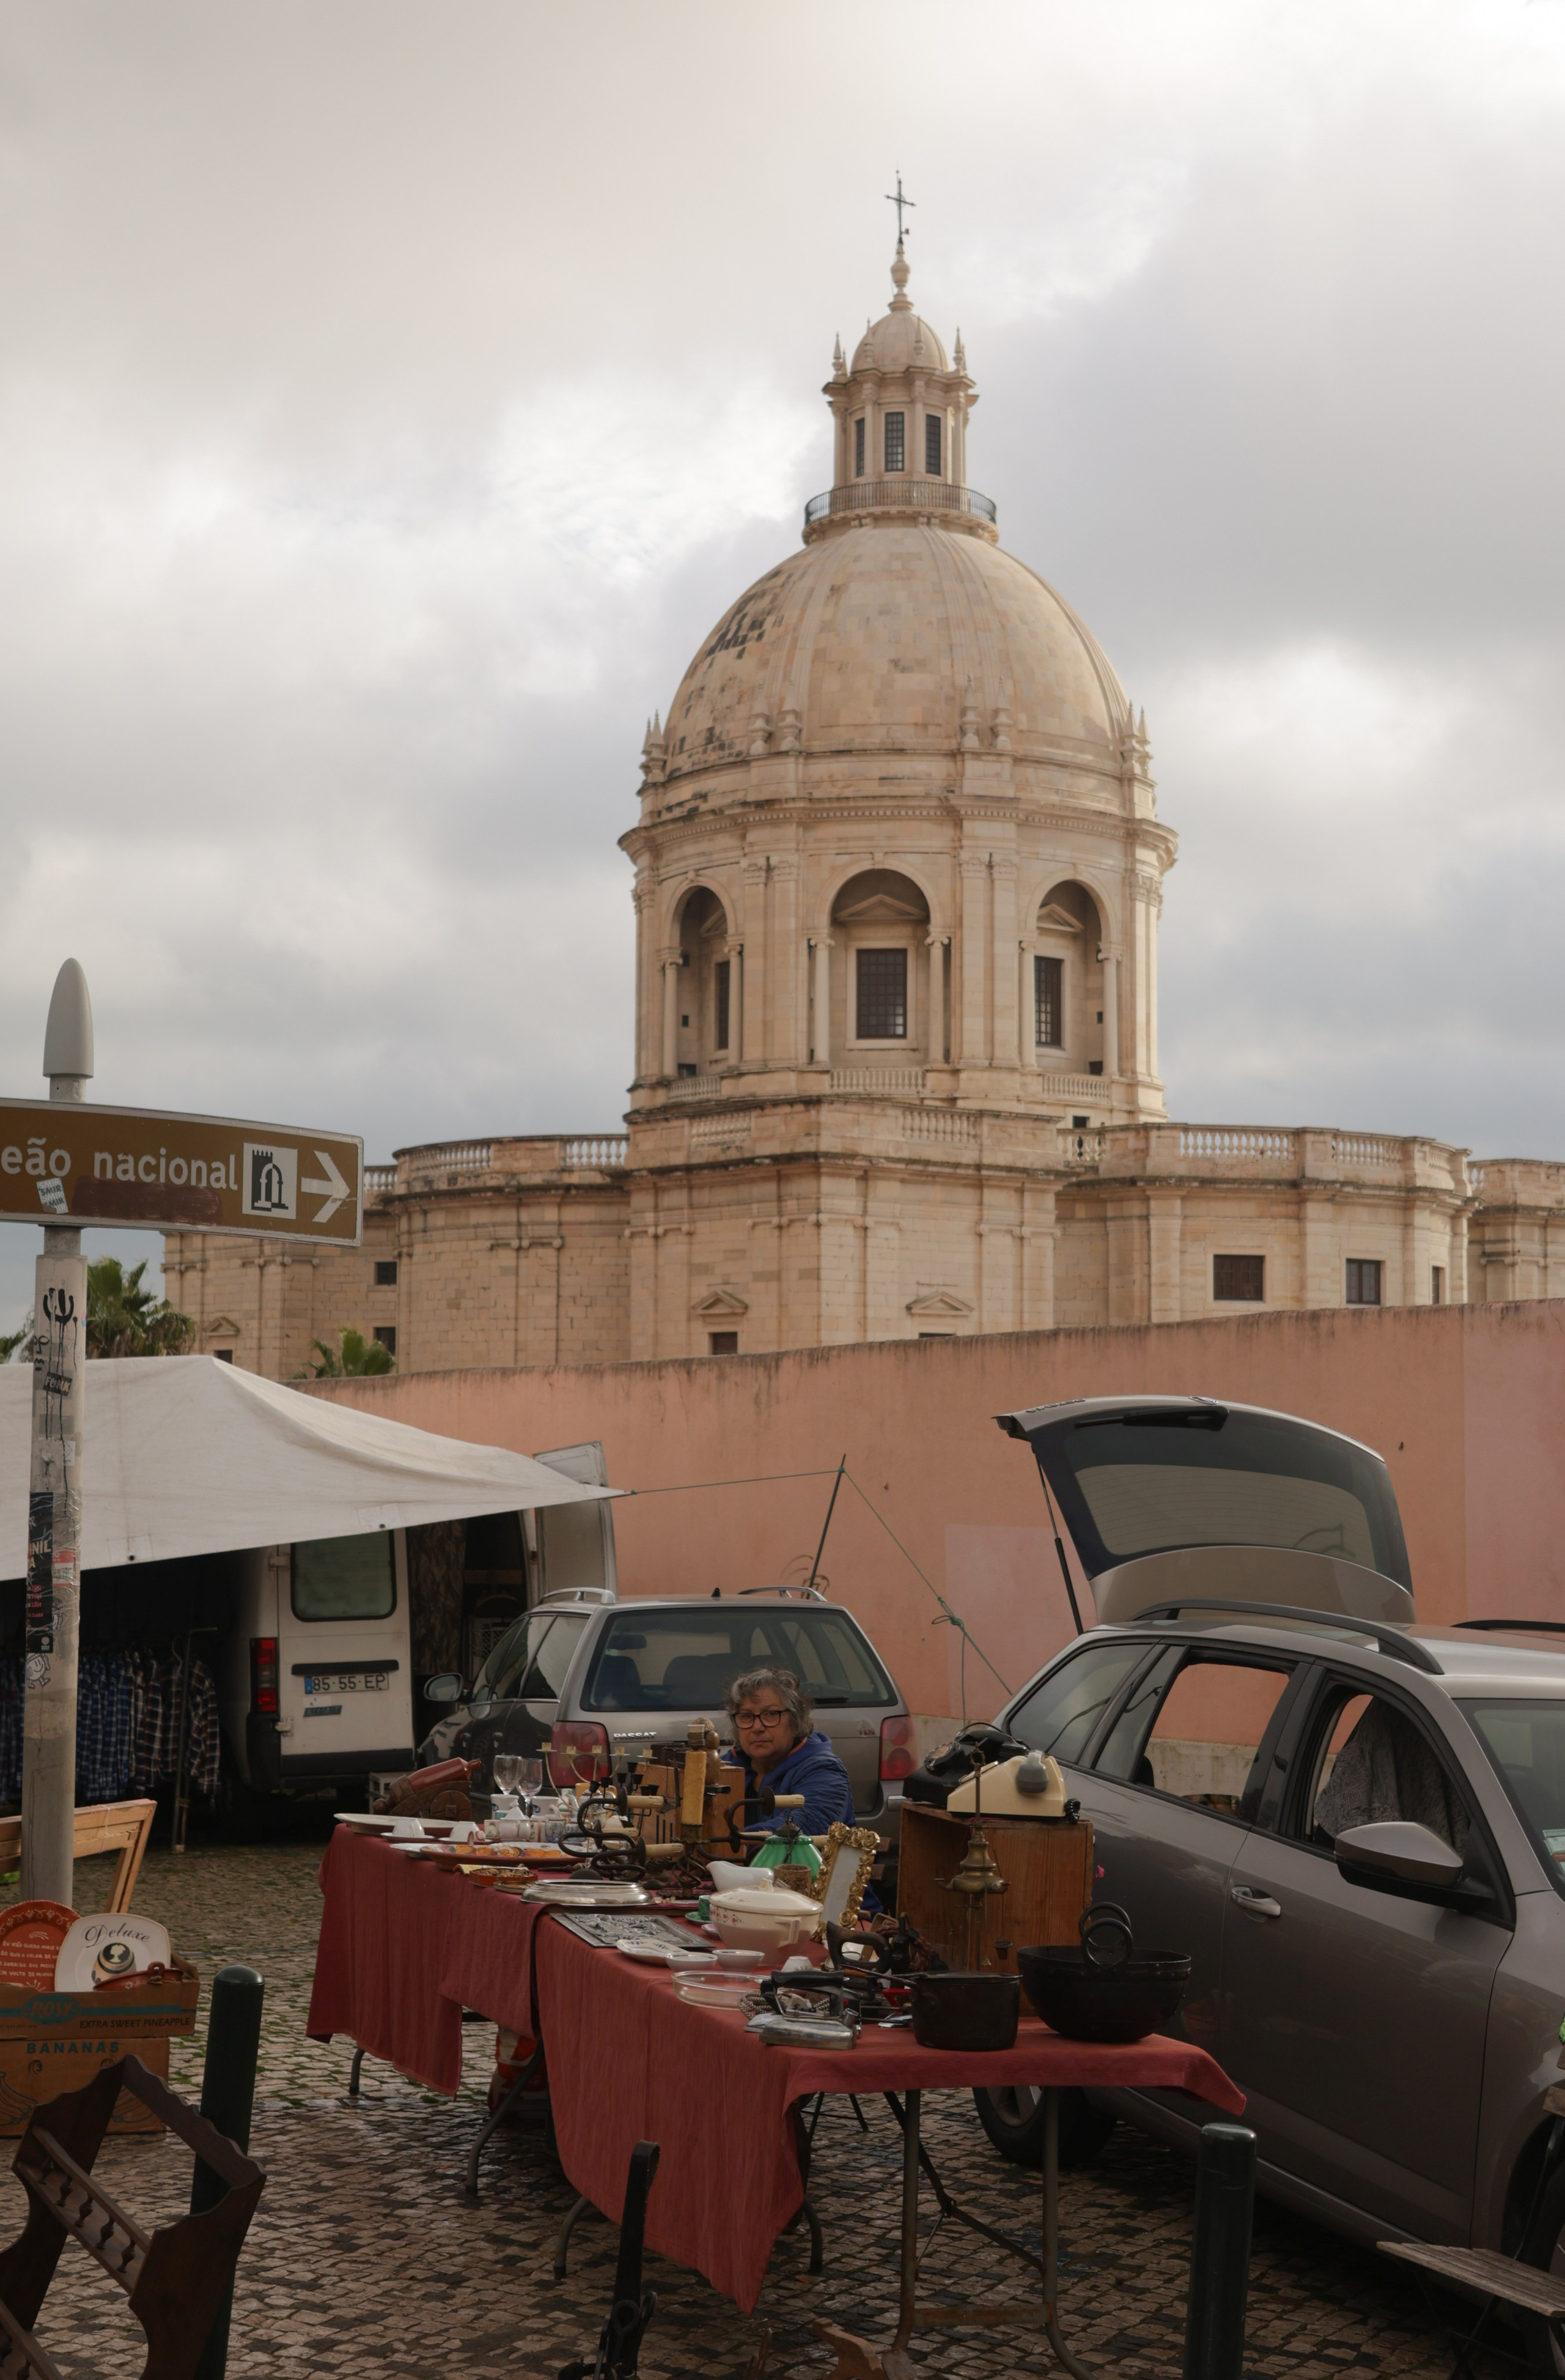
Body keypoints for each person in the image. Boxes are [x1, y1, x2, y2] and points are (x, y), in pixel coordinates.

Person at [724, 1665, 855, 1835]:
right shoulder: (727, 1767)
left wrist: (730, 1841)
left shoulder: (824, 1770)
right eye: (746, 1716)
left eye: (771, 1714)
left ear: (795, 1722)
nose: (757, 1727)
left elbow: (803, 1824)